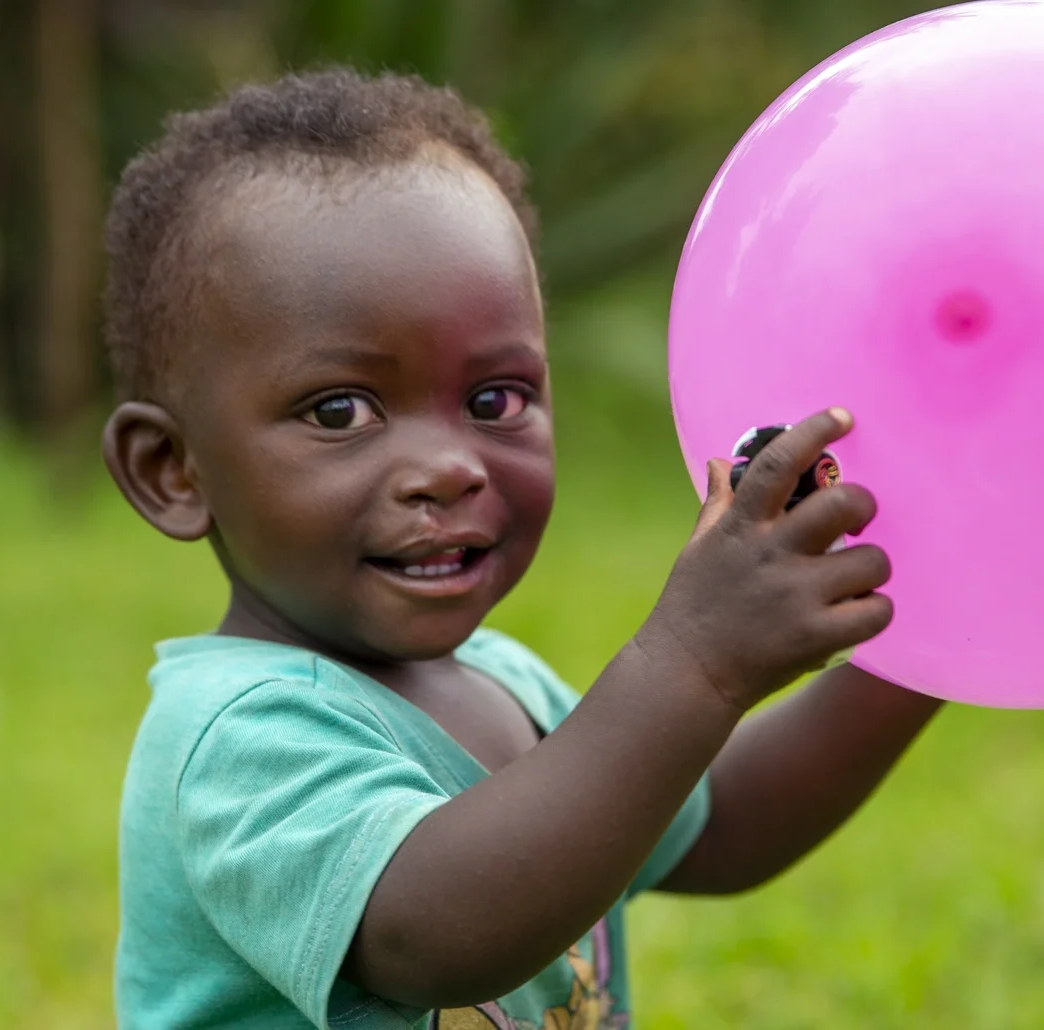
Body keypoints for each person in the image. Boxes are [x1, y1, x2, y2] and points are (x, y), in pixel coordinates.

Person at [101, 67, 942, 1030]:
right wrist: (694, 665)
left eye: (493, 399)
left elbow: (724, 827)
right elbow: (438, 936)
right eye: (340, 411)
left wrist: (919, 643)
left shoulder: (499, 681)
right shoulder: (239, 741)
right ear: (173, 469)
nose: (449, 468)